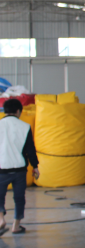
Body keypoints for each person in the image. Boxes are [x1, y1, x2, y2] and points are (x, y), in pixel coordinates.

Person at [0, 98, 39, 236]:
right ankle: (16, 226)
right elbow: (30, 149)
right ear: (18, 111)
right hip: (20, 169)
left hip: (1, 169)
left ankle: (1, 219)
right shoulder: (25, 126)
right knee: (19, 198)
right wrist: (35, 166)